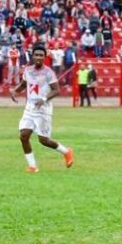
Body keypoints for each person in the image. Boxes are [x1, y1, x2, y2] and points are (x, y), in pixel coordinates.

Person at [10, 42, 74, 173]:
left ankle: (66, 152)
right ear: (32, 56)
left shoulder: (48, 73)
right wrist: (15, 91)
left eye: (41, 55)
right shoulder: (28, 70)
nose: (38, 57)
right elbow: (24, 84)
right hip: (30, 108)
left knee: (43, 140)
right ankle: (32, 166)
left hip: (43, 109)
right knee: (23, 136)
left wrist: (44, 99)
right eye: (36, 55)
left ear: (45, 57)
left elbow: (57, 90)